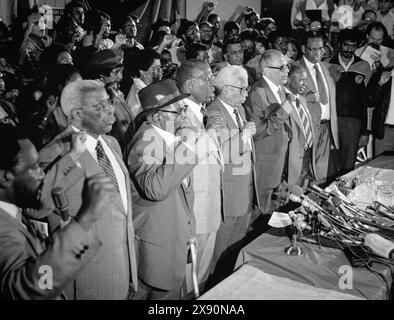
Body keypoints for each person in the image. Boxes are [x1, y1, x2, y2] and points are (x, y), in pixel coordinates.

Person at [38, 80, 138, 299]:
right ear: (77, 114)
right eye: (100, 106)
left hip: (122, 265)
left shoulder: (111, 143)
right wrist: (71, 158)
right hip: (87, 279)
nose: (110, 110)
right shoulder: (55, 152)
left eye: (109, 103)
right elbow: (36, 208)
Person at [0, 123, 114, 299]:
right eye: (34, 167)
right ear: (4, 177)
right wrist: (85, 218)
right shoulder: (3, 231)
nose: (41, 174)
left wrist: (57, 240)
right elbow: (26, 289)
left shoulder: (11, 210)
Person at [125, 79, 210, 300]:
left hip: (173, 241)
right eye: (177, 111)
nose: (184, 115)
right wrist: (188, 146)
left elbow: (182, 192)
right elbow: (156, 188)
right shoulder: (144, 142)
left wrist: (189, 233)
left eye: (184, 108)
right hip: (154, 249)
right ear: (155, 116)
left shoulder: (169, 137)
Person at [207, 65, 259, 277]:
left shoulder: (239, 109)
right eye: (243, 89)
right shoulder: (213, 114)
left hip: (245, 191)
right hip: (228, 197)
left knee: (236, 249)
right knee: (220, 253)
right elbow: (221, 155)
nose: (246, 93)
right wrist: (244, 136)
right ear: (226, 89)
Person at [175, 59, 222, 294]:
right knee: (189, 282)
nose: (213, 83)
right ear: (191, 84)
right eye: (208, 78)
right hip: (196, 211)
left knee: (201, 279)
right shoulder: (178, 116)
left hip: (210, 207)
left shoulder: (201, 113)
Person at [244, 49, 293, 214]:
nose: (287, 71)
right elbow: (256, 132)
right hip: (265, 161)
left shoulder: (280, 89)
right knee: (261, 212)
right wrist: (282, 113)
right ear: (265, 69)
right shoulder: (257, 92)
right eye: (282, 67)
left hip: (280, 159)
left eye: (287, 66)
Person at [294, 31, 339, 184]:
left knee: (324, 173)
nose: (317, 52)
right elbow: (287, 101)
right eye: (312, 49)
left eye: (320, 48)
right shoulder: (294, 69)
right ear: (303, 49)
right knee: (303, 173)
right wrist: (306, 99)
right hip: (306, 130)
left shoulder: (328, 68)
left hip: (326, 128)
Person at [329, 29, 372, 174]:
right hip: (332, 120)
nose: (349, 49)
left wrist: (365, 131)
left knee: (348, 165)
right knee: (330, 163)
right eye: (346, 45)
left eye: (353, 46)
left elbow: (367, 100)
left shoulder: (364, 66)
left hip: (353, 123)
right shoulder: (328, 64)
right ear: (339, 45)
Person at [85, 49, 134, 151]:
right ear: (102, 76)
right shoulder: (93, 97)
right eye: (116, 73)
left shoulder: (111, 89)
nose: (120, 77)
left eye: (121, 71)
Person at [286, 64, 318, 186]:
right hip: (293, 159)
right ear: (289, 80)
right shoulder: (283, 100)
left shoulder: (302, 99)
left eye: (305, 80)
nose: (304, 84)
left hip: (307, 156)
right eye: (301, 80)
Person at [124, 48, 162, 119]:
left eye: (160, 67)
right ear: (142, 72)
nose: (160, 72)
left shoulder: (149, 88)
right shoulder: (140, 91)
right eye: (155, 68)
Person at [367, 60, 394, 155]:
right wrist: (380, 84)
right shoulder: (381, 75)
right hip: (385, 132)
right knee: (380, 167)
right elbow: (369, 101)